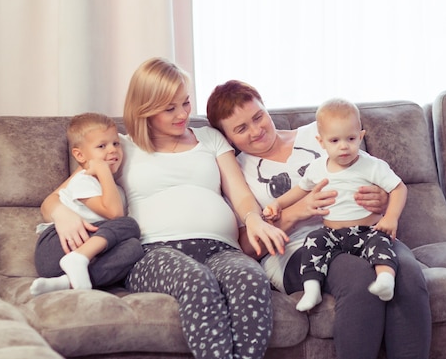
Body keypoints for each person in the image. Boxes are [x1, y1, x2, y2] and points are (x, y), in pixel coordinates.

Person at [38, 58, 288, 359]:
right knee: (196, 281)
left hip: (222, 249)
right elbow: (54, 199)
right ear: (144, 108)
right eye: (170, 108)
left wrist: (253, 219)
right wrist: (62, 214)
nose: (183, 114)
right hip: (153, 252)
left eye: (185, 102)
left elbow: (241, 195)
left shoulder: (210, 138)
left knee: (251, 279)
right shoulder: (119, 147)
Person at [207, 80, 431, 359]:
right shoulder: (236, 171)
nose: (256, 130)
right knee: (359, 279)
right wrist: (299, 210)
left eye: (258, 116)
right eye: (241, 128)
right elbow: (246, 247)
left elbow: (376, 177)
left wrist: (382, 200)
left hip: (364, 231)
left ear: (266, 107)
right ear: (227, 138)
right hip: (298, 249)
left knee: (407, 273)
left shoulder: (318, 130)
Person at [262, 98, 407, 312]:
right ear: (321, 142)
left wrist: (390, 217)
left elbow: (399, 188)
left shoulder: (372, 165)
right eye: (335, 140)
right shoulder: (317, 168)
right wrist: (277, 204)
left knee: (382, 244)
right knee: (313, 242)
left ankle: (386, 279)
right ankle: (312, 290)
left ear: (361, 136)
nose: (344, 146)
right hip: (332, 233)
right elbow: (300, 190)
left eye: (351, 138)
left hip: (367, 231)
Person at [31, 113, 144, 296]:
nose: (113, 150)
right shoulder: (84, 180)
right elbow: (115, 214)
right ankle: (78, 258)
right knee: (129, 225)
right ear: (80, 155)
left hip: (77, 254)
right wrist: (102, 170)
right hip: (56, 246)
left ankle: (66, 282)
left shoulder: (115, 191)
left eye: (116, 143)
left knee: (133, 248)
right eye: (102, 146)